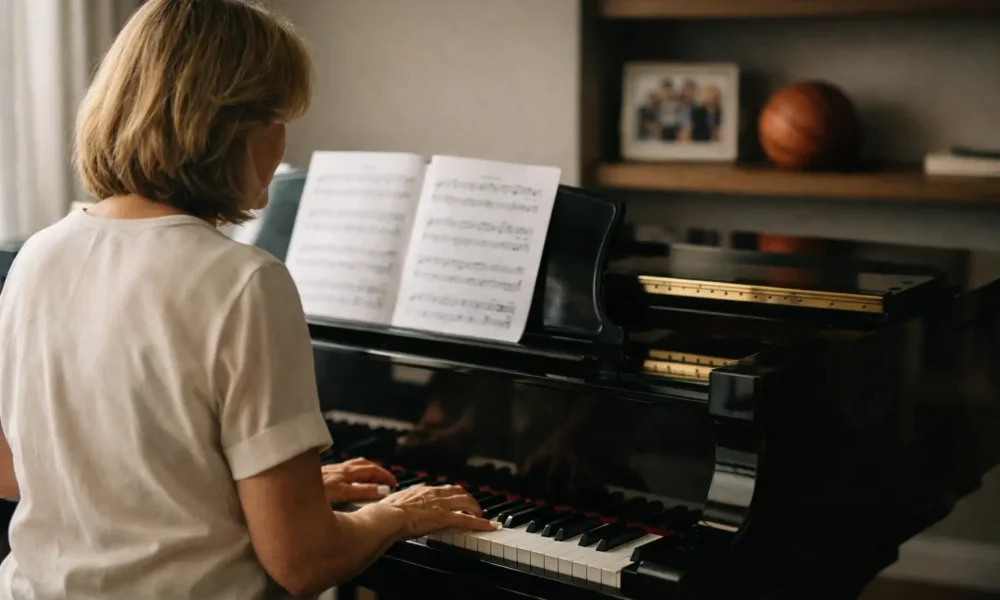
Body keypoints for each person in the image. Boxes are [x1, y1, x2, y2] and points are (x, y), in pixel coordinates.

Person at [0, 1, 496, 598]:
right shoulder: (244, 282)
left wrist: (255, 491)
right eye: (279, 116)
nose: (284, 137)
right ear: (232, 127)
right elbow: (304, 562)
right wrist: (397, 513)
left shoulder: (38, 255)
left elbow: (15, 471)